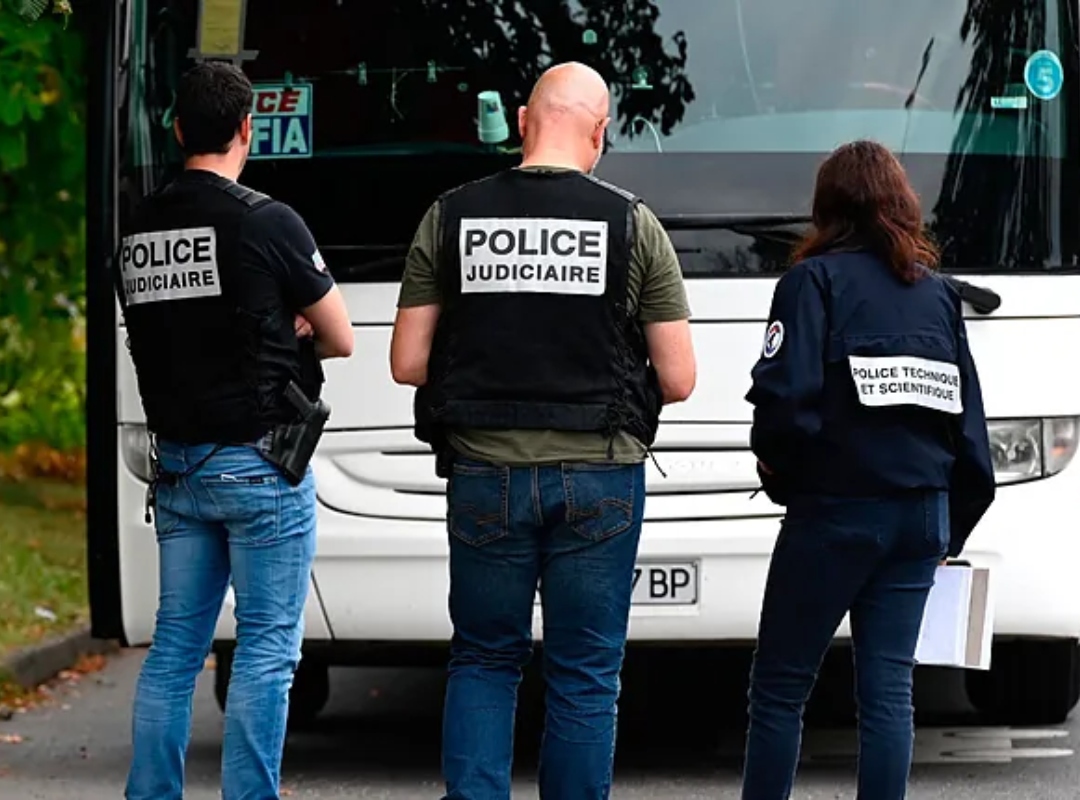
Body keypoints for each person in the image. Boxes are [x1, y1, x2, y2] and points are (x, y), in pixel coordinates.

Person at [390, 61, 697, 799]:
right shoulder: (633, 223)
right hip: (601, 474)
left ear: (523, 123)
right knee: (585, 672)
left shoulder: (451, 215)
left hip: (483, 474)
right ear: (600, 133)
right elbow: (680, 378)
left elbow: (407, 363)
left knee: (485, 660)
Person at [115, 61, 354, 800]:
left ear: (179, 129)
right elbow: (341, 337)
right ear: (248, 128)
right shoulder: (266, 219)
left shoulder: (137, 228)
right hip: (260, 469)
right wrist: (294, 325)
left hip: (179, 470)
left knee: (175, 649)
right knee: (266, 651)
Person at [739, 139, 996, 800]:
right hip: (922, 515)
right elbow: (969, 433)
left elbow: (785, 407)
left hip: (836, 511)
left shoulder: (810, 283)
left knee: (780, 690)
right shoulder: (937, 297)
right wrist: (949, 533)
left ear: (826, 211)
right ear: (902, 208)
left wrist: (786, 481)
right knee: (888, 694)